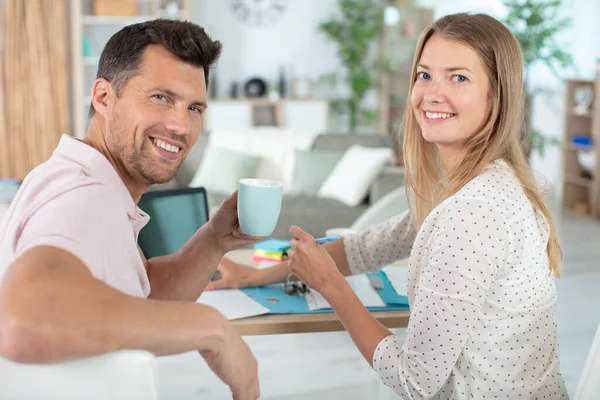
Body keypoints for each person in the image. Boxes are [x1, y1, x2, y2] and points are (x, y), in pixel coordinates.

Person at [208, 13, 568, 399]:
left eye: (458, 77)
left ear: (496, 96)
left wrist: (329, 284)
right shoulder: (484, 184)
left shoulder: (472, 213)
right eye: (425, 74)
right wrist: (255, 276)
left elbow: (415, 382)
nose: (431, 93)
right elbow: (366, 247)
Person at [0, 19, 260, 400]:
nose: (181, 125)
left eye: (194, 108)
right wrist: (212, 327)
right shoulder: (85, 197)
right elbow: (22, 315)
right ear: (104, 97)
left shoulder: (89, 179)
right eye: (160, 98)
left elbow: (142, 297)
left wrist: (213, 240)